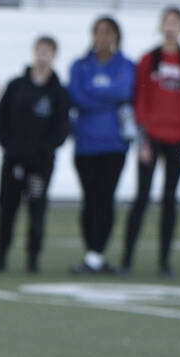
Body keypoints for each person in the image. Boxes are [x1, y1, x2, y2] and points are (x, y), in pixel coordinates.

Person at [120, 7, 180, 278]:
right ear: (160, 26)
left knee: (169, 201)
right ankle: (126, 260)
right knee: (141, 198)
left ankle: (164, 262)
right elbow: (138, 101)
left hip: (178, 139)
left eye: (176, 22)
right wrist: (142, 139)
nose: (171, 27)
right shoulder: (148, 60)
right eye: (167, 22)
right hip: (151, 139)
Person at [0, 36, 71, 274]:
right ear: (34, 52)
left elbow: (61, 129)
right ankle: (1, 256)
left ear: (54, 55)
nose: (43, 55)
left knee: (36, 212)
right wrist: (10, 148)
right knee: (7, 210)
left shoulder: (58, 92)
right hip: (13, 162)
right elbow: (0, 120)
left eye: (48, 51)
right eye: (39, 50)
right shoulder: (16, 86)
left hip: (41, 166)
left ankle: (32, 259)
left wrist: (43, 152)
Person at [68, 16, 135, 275]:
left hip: (113, 145)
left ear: (116, 36)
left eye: (108, 33)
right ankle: (91, 251)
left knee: (106, 198)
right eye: (98, 32)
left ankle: (96, 254)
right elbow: (76, 96)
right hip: (85, 143)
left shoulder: (125, 65)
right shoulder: (80, 65)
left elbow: (123, 92)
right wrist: (102, 99)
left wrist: (93, 95)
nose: (103, 37)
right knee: (90, 199)